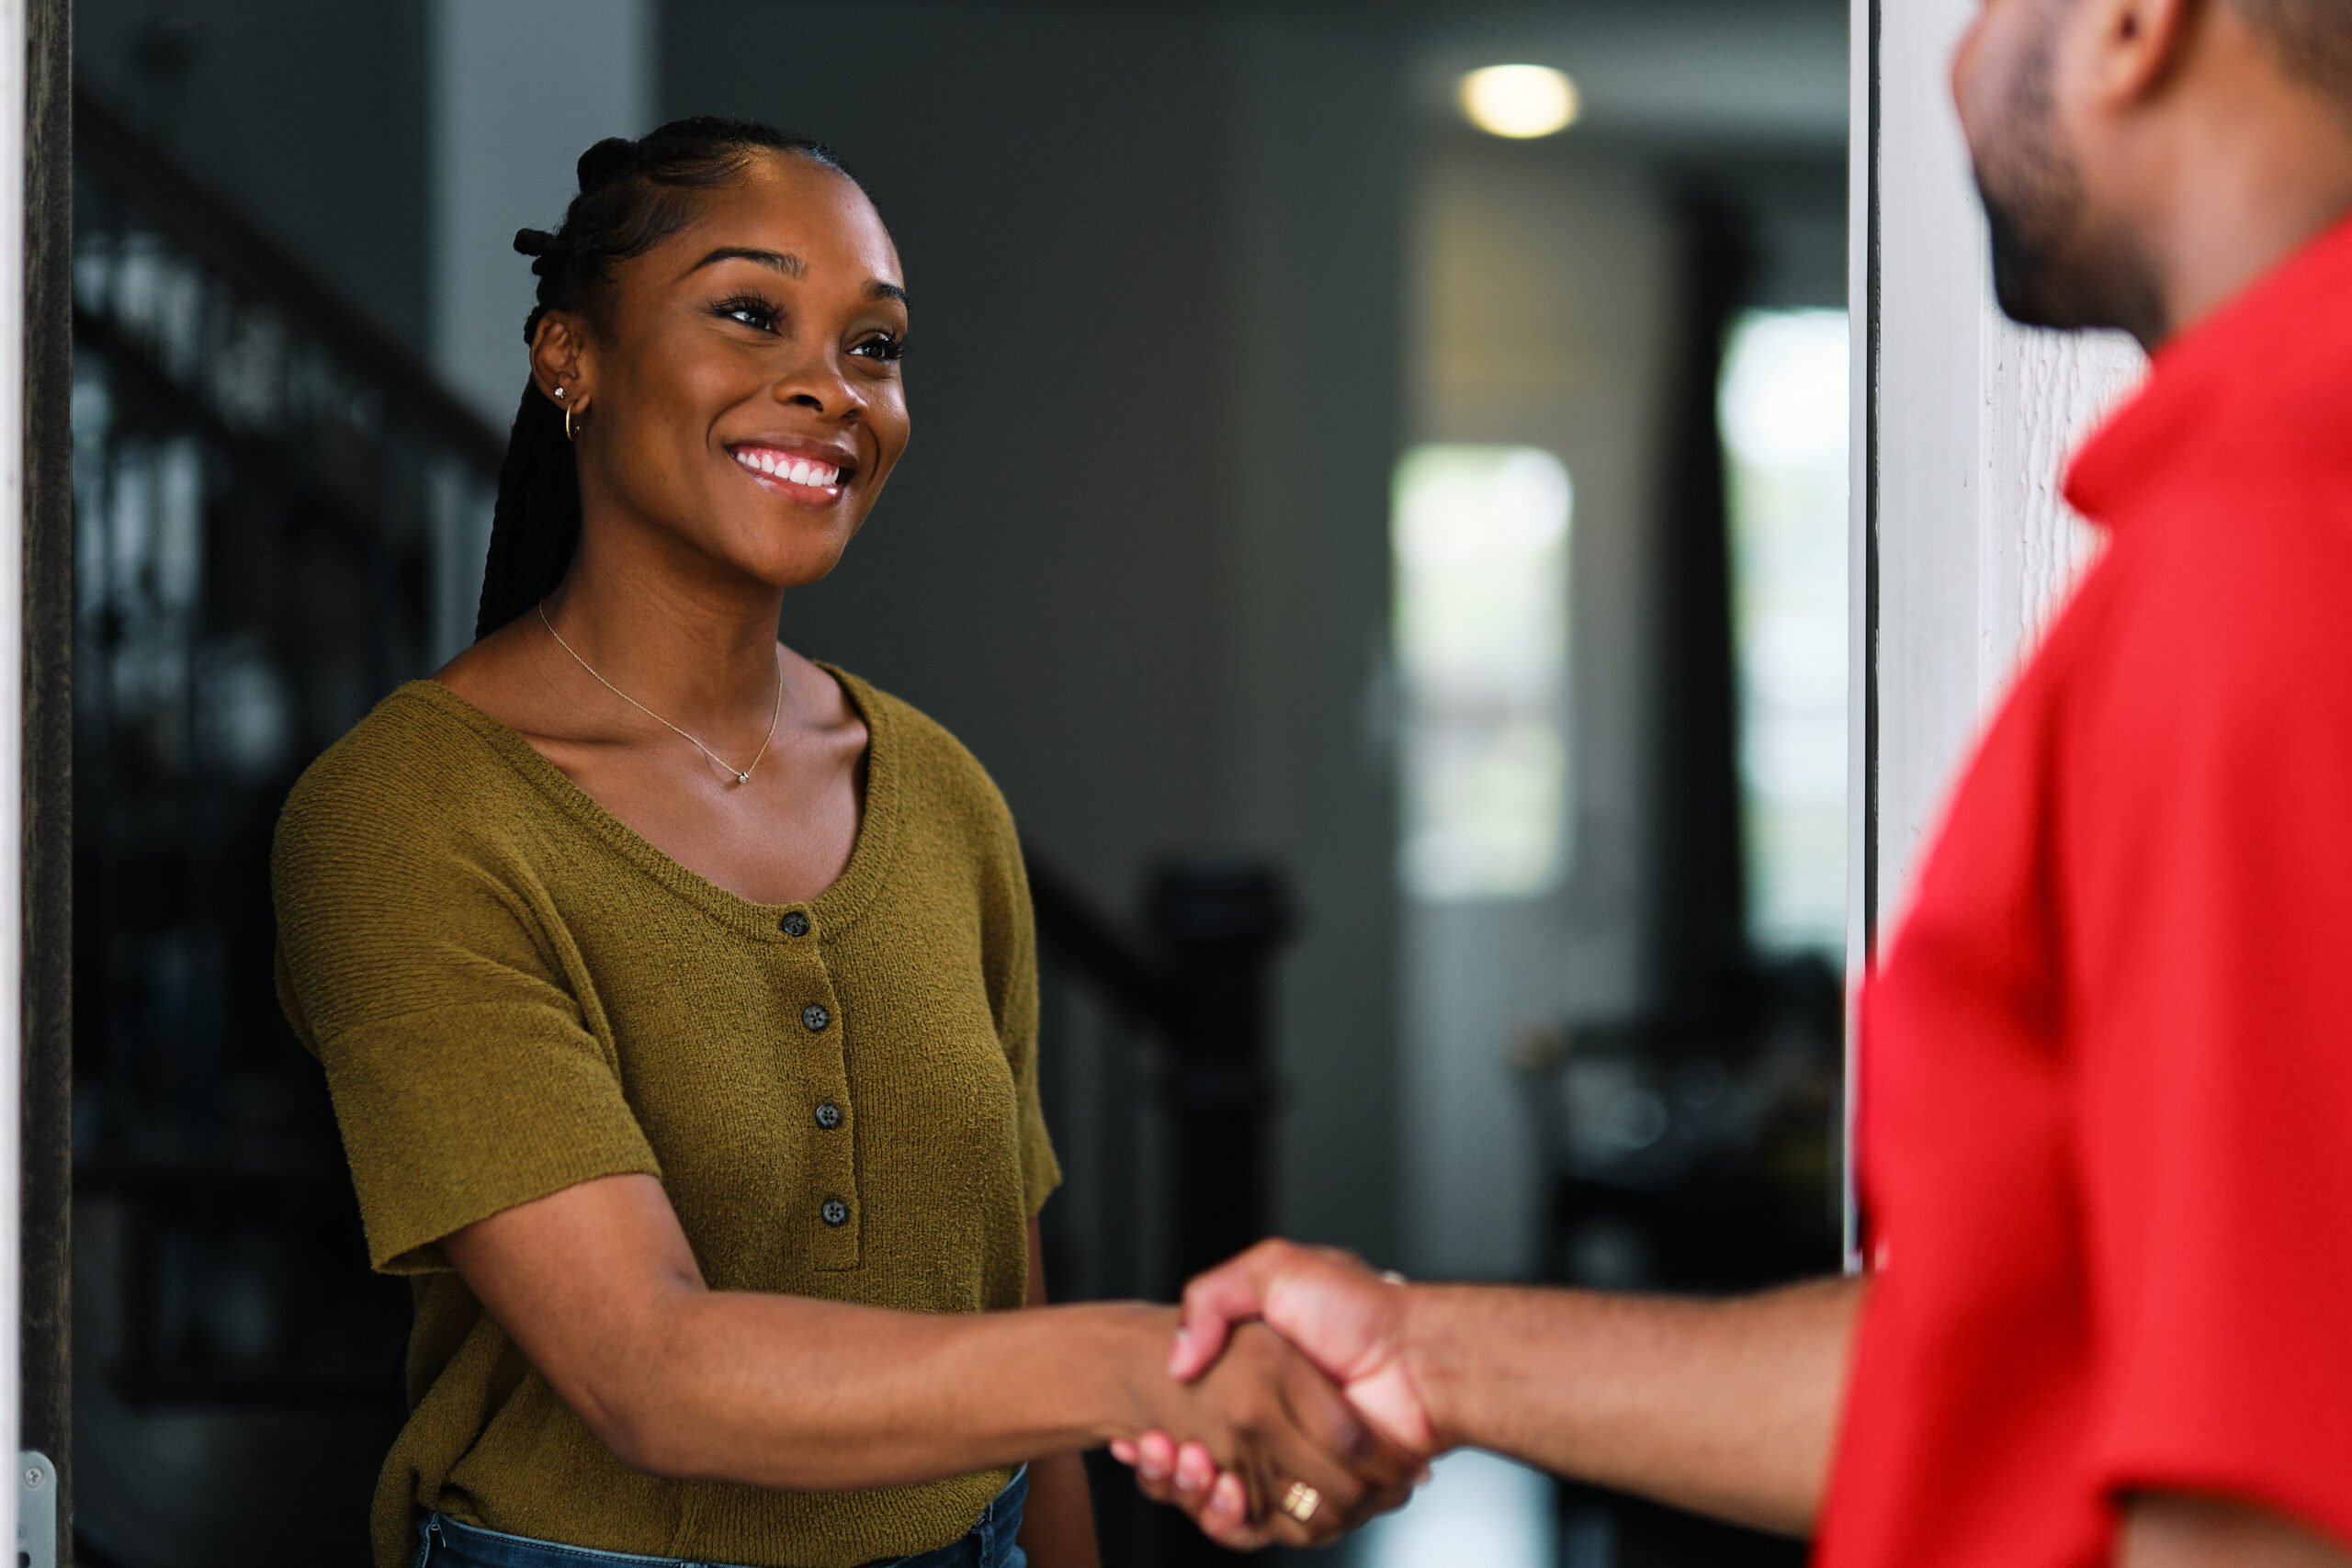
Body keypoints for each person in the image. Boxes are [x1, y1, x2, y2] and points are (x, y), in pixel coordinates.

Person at [1118, 0, 2352, 1563]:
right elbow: (2014, 1388)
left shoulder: (2267, 559)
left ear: (2128, 24)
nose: (1959, 62)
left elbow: (2260, 1503)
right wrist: (1426, 1351)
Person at [271, 118, 1419, 1568]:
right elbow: (646, 1376)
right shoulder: (407, 816)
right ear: (570, 355)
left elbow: (1010, 1289)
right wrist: (1149, 1363)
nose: (830, 388)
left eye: (874, 347)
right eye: (751, 314)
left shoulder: (936, 792)